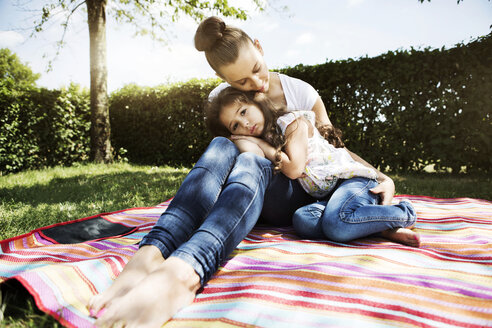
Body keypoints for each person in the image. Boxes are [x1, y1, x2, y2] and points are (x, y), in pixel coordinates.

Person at [87, 16, 398, 328]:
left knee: (252, 160)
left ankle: (187, 271)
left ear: (259, 48)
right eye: (241, 83)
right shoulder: (223, 101)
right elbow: (221, 164)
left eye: (256, 69)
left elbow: (335, 149)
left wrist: (381, 177)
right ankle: (152, 255)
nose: (256, 84)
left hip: (293, 191)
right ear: (223, 80)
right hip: (245, 196)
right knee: (224, 144)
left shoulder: (300, 93)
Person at [205, 87, 420, 246]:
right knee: (303, 220)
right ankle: (377, 228)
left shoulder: (292, 124)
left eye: (243, 112)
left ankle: (404, 212)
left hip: (352, 181)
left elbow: (294, 170)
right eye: (235, 125)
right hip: (328, 195)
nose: (245, 124)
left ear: (257, 102)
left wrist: (261, 144)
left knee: (337, 223)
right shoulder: (271, 137)